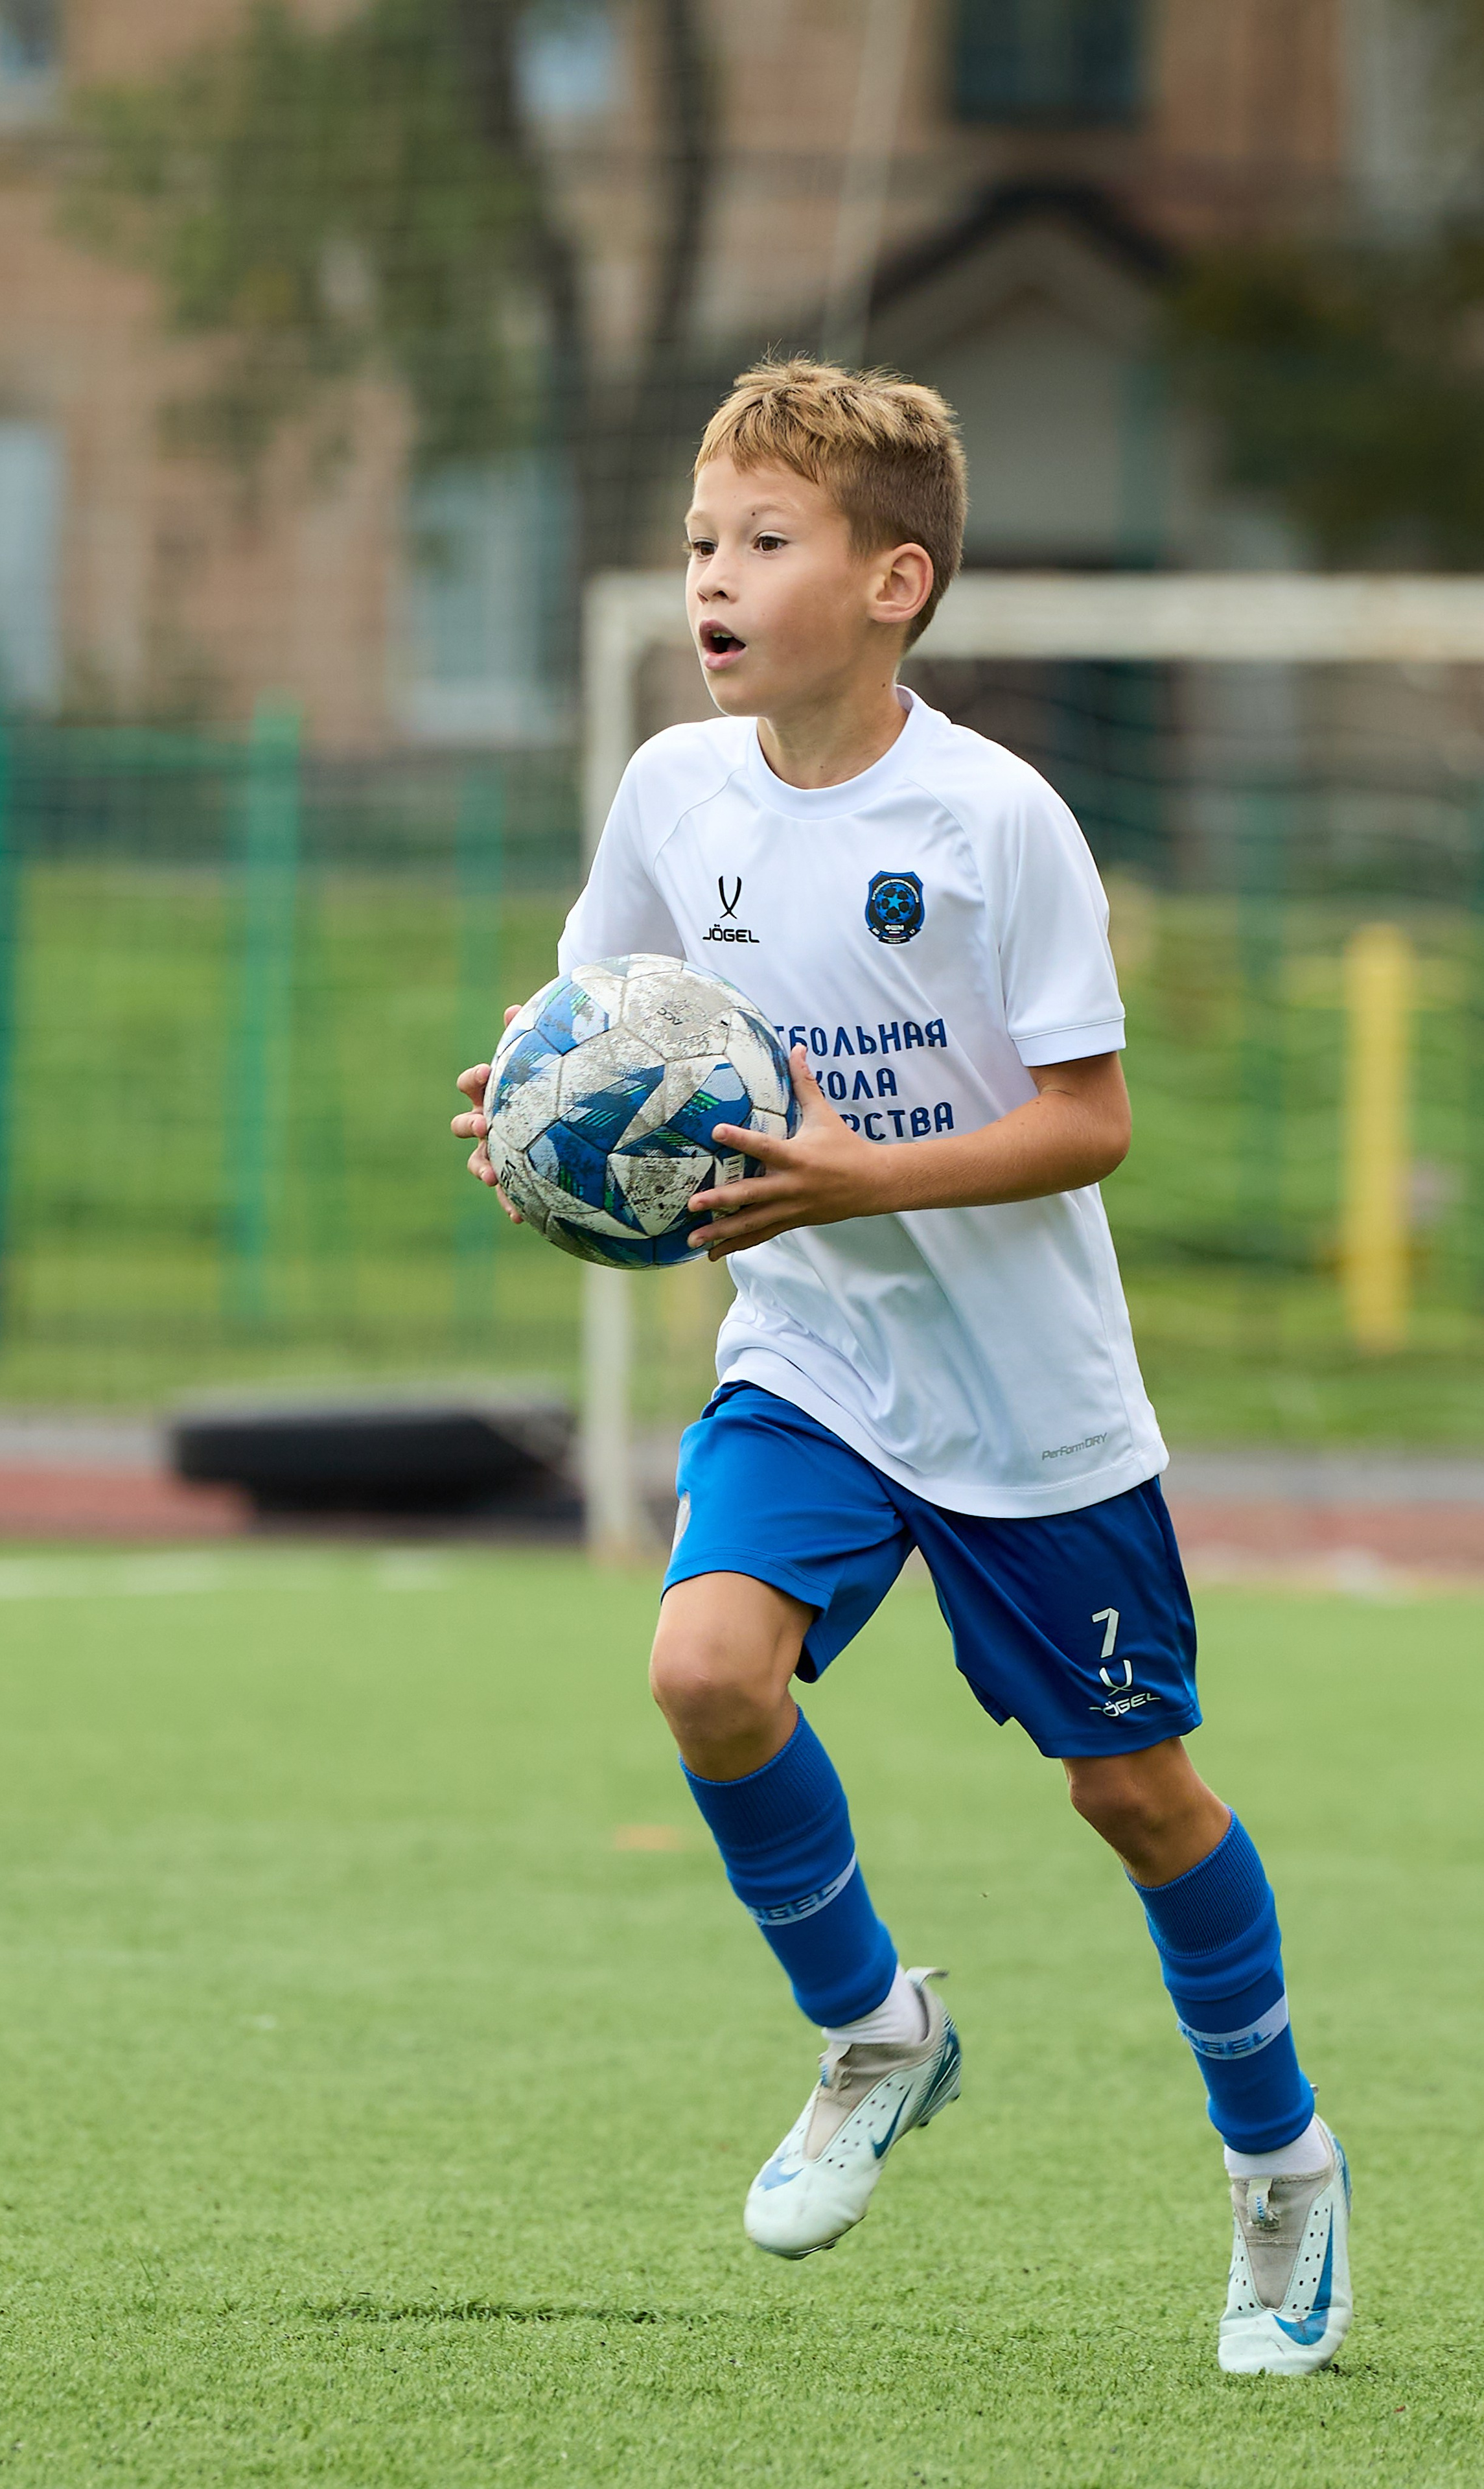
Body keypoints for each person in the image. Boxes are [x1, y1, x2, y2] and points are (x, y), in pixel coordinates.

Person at [450, 358, 1349, 2377]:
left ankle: (1281, 2169)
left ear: (893, 582)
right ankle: (876, 2030)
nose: (716, 576)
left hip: (1030, 1404)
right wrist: (528, 1105)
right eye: (701, 541)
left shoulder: (993, 819)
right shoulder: (675, 792)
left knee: (1134, 1795)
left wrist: (866, 1175)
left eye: (766, 542)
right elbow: (607, 1009)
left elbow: (1092, 1121)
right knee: (702, 1671)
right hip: (817, 1358)